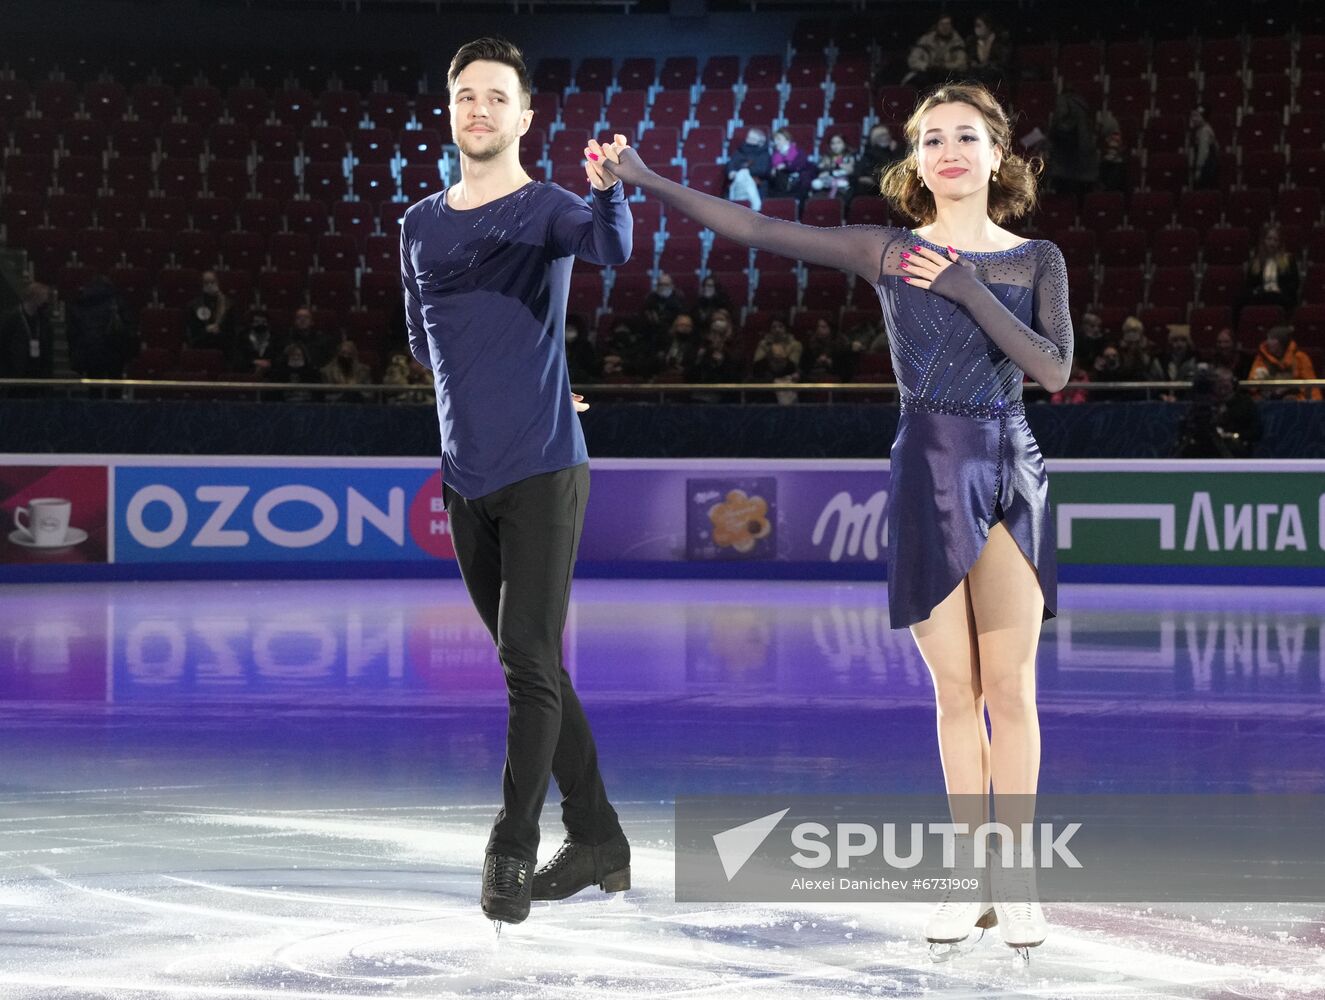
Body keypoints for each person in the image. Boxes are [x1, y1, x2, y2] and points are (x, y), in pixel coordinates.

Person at [592, 77, 1070, 959]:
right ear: (915, 161)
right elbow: (759, 229)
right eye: (931, 139)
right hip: (927, 468)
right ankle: (968, 883)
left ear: (998, 154)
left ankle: (1021, 880)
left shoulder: (1035, 258)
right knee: (954, 692)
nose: (949, 151)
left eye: (966, 136)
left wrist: (967, 289)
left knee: (1011, 689)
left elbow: (1049, 370)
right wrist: (648, 179)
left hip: (1008, 467)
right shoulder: (885, 251)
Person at [402, 37, 631, 928]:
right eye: (466, 95)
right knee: (528, 657)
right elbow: (424, 341)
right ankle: (601, 835)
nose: (480, 109)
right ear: (450, 108)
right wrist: (515, 366)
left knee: (526, 661)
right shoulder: (418, 223)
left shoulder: (550, 208)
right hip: (465, 475)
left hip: (543, 466)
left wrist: (610, 186)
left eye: (497, 96)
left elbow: (609, 249)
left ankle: (511, 846)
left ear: (525, 115)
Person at [66, 273, 131, 379]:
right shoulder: (117, 302)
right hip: (114, 350)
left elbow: (73, 332)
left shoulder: (82, 302)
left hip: (90, 350)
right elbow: (127, 328)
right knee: (114, 387)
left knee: (94, 386)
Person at [1248, 324, 1320, 401]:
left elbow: (1311, 384)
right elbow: (1253, 383)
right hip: (1267, 397)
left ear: (1281, 343)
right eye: (1268, 338)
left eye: (1272, 339)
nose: (1268, 342)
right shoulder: (1261, 359)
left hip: (1294, 399)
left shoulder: (1301, 358)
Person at [1241, 223, 1300, 314]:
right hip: (1261, 296)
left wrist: (1278, 290)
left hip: (1281, 296)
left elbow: (1294, 284)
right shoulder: (1255, 262)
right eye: (1269, 239)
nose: (1272, 243)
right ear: (1264, 241)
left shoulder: (1289, 260)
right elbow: (1249, 285)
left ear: (1279, 243)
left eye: (1275, 240)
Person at [0, 282, 54, 379]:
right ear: (34, 297)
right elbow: (4, 343)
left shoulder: (43, 320)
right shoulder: (12, 318)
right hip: (16, 368)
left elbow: (48, 346)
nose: (46, 301)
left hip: (38, 367)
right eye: (43, 297)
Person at [904, 14, 968, 88]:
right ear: (937, 26)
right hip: (926, 74)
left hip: (948, 75)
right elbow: (913, 60)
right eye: (942, 24)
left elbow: (962, 63)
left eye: (947, 24)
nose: (945, 27)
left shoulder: (957, 41)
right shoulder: (926, 40)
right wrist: (927, 66)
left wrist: (945, 66)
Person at [852, 124, 906, 200]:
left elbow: (900, 169)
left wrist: (895, 152)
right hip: (874, 191)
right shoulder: (869, 154)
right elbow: (861, 176)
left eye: (886, 135)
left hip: (895, 188)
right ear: (874, 139)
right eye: (881, 136)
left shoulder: (897, 150)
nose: (885, 138)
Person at [725, 127, 772, 210]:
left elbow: (762, 169)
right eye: (748, 137)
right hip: (737, 179)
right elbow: (731, 164)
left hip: (757, 182)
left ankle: (754, 207)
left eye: (752, 138)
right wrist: (731, 171)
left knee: (744, 175)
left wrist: (745, 171)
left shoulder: (764, 153)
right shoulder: (740, 150)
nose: (749, 140)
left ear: (760, 141)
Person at [185, 270, 232, 349]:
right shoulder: (193, 306)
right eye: (206, 283)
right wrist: (205, 330)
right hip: (201, 344)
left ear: (218, 283)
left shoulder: (229, 304)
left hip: (224, 344)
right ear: (202, 285)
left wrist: (220, 329)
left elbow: (233, 328)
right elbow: (191, 330)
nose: (210, 285)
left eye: (212, 282)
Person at [966, 12, 1011, 89]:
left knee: (984, 74)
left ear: (988, 26)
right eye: (975, 26)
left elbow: (1003, 61)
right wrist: (973, 63)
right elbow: (970, 59)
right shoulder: (972, 41)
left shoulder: (1000, 40)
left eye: (979, 26)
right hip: (978, 73)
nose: (976, 29)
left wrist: (987, 65)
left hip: (996, 73)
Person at [768, 128, 812, 199]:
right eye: (774, 139)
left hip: (798, 180)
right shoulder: (774, 155)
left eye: (779, 139)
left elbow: (800, 166)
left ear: (787, 140)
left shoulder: (798, 151)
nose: (776, 142)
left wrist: (785, 166)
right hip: (781, 183)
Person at [811, 133, 856, 197]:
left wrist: (836, 163)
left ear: (844, 144)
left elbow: (850, 170)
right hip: (827, 185)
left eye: (838, 143)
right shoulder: (827, 157)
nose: (835, 146)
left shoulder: (849, 156)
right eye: (832, 143)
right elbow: (819, 168)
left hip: (843, 186)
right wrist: (824, 165)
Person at [1189, 106, 1220, 190]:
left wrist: (1198, 169)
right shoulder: (1203, 129)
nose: (1193, 118)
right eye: (1192, 116)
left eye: (1196, 116)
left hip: (1206, 168)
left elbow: (1203, 152)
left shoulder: (1204, 131)